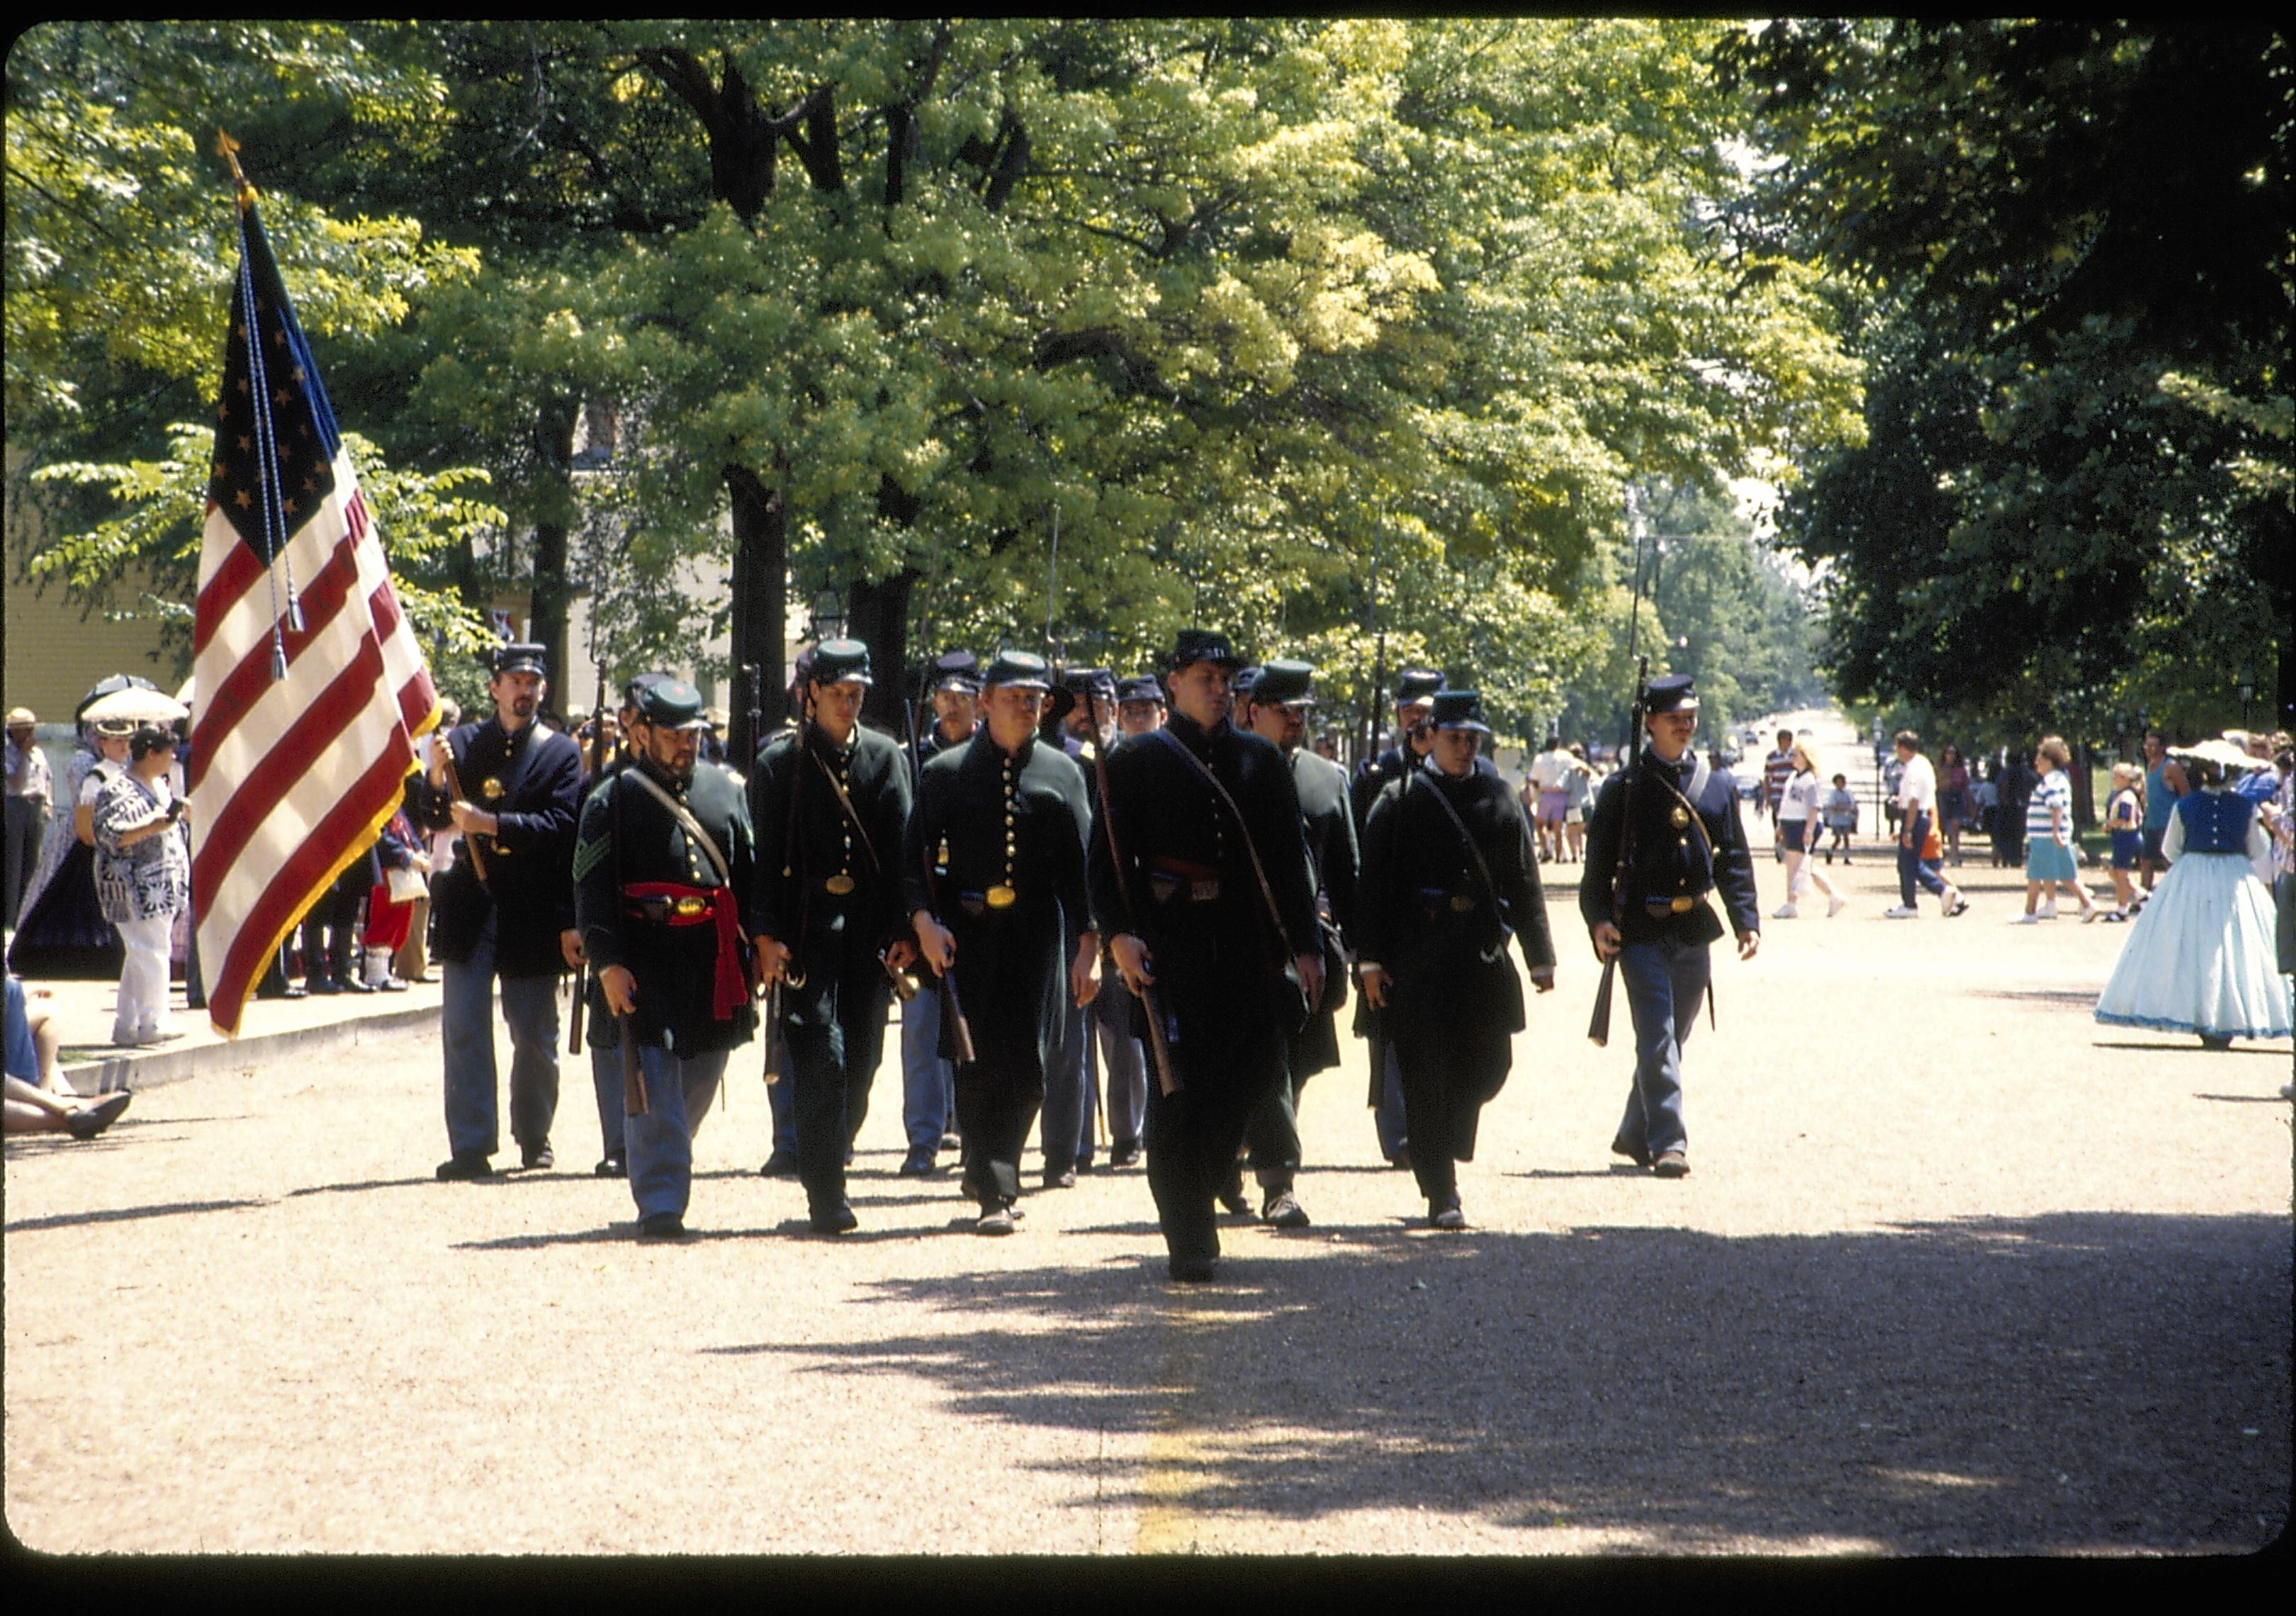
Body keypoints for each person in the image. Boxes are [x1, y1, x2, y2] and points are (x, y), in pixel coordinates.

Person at [1090, 628, 1323, 1282]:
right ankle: (1189, 1233)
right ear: (1174, 685)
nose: (1219, 690)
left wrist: (1305, 946)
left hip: (1246, 950)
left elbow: (1286, 864)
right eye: (1204, 678)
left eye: (1226, 680)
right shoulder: (1134, 763)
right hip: (1171, 950)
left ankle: (1210, 1181)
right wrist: (1118, 935)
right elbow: (1106, 864)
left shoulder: (1261, 761)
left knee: (1247, 1079)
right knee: (1177, 1096)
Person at [906, 651, 1097, 1235]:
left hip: (1037, 936)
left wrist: (1091, 950)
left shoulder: (1064, 774)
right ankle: (994, 1187)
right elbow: (912, 862)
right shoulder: (946, 772)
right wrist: (923, 926)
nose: (1028, 707)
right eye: (1015, 697)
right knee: (976, 1059)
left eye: (1036, 698)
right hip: (967, 935)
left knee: (1031, 1068)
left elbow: (1082, 870)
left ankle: (996, 1166)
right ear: (985, 703)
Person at [1358, 688, 1554, 1228]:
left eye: (1473, 739)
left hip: (1479, 959)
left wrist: (1541, 956)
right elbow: (1371, 887)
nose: (1465, 748)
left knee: (1491, 1065)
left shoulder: (1499, 797)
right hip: (1418, 961)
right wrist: (1370, 961)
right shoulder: (1398, 801)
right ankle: (1441, 1192)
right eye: (1454, 738)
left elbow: (1524, 878)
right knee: (1423, 1075)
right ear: (1428, 740)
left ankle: (1443, 1139)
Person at [575, 678, 762, 1240]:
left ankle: (664, 1151)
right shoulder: (611, 798)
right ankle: (660, 1202)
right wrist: (607, 963)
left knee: (703, 1072)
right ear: (641, 734)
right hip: (644, 958)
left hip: (710, 960)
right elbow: (590, 887)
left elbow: (747, 875)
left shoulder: (725, 791)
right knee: (653, 1080)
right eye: (674, 734)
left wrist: (760, 943)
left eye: (694, 734)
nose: (687, 744)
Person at [750, 639, 918, 1235]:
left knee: (865, 1057)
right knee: (823, 1056)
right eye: (839, 693)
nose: (850, 705)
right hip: (805, 934)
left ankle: (829, 1153)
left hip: (869, 935)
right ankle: (827, 1191)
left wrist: (905, 929)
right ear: (812, 692)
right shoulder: (778, 764)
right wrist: (765, 935)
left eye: (858, 695)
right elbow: (763, 862)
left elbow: (902, 854)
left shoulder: (885, 758)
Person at [1579, 673, 1760, 1179]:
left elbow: (1734, 859)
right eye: (1675, 718)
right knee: (1656, 1037)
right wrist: (1598, 922)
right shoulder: (1623, 789)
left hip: (1693, 929)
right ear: (1650, 723)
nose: (1685, 726)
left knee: (1673, 1040)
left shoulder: (1716, 786)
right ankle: (1668, 1142)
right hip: (1640, 928)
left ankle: (1634, 1132)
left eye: (1690, 717)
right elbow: (1596, 869)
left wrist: (1746, 920)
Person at [416, 644, 584, 1181]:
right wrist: (438, 778)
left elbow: (562, 826)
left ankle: (533, 1133)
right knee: (464, 1026)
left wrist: (491, 824)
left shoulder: (559, 753)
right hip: (470, 904)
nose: (525, 691)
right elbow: (429, 813)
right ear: (495, 688)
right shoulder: (462, 744)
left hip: (530, 907)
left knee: (534, 1033)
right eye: (515, 681)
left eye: (533, 682)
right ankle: (470, 1144)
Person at [1233, 658, 1360, 1229]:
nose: (1294, 722)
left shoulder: (1326, 779)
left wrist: (1364, 950)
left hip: (1307, 945)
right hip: (1240, 944)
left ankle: (1259, 1159)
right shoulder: (1226, 769)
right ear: (1253, 711)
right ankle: (1276, 1180)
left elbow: (1346, 872)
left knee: (1294, 1066)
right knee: (1261, 1064)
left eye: (1302, 713)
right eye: (1283, 712)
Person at [2095, 746, 2292, 1048]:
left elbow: (2171, 849)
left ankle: (2197, 1011)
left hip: (2192, 871)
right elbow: (2258, 850)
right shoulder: (2244, 807)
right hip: (2234, 874)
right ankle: (2228, 1017)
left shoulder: (2185, 806)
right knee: (2236, 946)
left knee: (2190, 945)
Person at [896, 649, 981, 1178]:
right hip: (927, 907)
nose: (952, 707)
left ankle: (976, 1135)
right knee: (921, 1033)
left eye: (962, 697)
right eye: (945, 697)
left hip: (974, 909)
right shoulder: (913, 757)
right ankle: (923, 1140)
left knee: (976, 1035)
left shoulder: (987, 756)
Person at [1040, 668, 1118, 1188]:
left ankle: (1068, 1150)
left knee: (1074, 1043)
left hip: (1076, 909)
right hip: (1030, 908)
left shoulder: (1088, 763)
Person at [7, 714, 133, 980]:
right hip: (83, 837)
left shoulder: (121, 769)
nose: (125, 746)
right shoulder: (85, 763)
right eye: (117, 740)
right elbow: (83, 806)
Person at [89, 727, 191, 1048]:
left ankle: (127, 1024)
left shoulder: (160, 785)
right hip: (132, 885)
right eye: (168, 753)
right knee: (151, 952)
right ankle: (153, 1021)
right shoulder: (117, 789)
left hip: (161, 884)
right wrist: (154, 825)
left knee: (141, 954)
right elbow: (111, 833)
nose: (173, 758)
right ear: (151, 753)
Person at [2013, 735, 2101, 923]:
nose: (2036, 762)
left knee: (2041, 874)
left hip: (2047, 836)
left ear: (2048, 760)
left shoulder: (2051, 781)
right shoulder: (2058, 778)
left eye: (2039, 758)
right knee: (2058, 873)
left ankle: (2030, 912)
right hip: (2047, 836)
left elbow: (2056, 805)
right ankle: (2085, 904)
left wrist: (2055, 832)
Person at [1882, 731, 1966, 919]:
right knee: (1909, 863)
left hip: (1916, 816)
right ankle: (1933, 894)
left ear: (1903, 748)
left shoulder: (1913, 768)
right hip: (1922, 815)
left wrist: (1908, 829)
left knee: (1907, 862)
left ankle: (1919, 900)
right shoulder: (1923, 763)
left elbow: (1914, 800)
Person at [1771, 740, 1845, 919]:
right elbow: (1787, 803)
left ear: (1806, 758)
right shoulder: (1793, 777)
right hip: (1791, 823)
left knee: (1794, 866)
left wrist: (1809, 830)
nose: (1793, 758)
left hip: (1802, 824)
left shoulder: (1809, 779)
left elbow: (1814, 806)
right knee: (1804, 866)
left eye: (1796, 754)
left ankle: (1791, 904)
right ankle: (1834, 896)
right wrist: (1780, 825)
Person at [5, 707, 52, 929]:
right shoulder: (9, 752)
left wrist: (49, 803)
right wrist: (23, 754)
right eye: (26, 729)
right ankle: (11, 918)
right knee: (13, 864)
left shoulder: (38, 753)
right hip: (15, 805)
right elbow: (15, 783)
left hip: (36, 807)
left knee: (33, 864)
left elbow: (47, 777)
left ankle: (27, 914)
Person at [2137, 730, 2185, 894]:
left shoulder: (2170, 767)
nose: (2149, 749)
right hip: (2152, 821)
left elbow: (2185, 793)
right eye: (2147, 745)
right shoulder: (2149, 766)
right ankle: (2144, 894)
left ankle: (2177, 892)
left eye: (2153, 745)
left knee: (2169, 860)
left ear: (2162, 747)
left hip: (2168, 822)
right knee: (2145, 860)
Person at [2103, 762, 2144, 920]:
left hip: (2126, 836)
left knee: (2120, 873)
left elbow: (2123, 818)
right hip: (2123, 836)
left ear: (2126, 779)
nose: (2113, 779)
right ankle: (2141, 895)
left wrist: (2108, 825)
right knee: (2114, 871)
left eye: (2117, 776)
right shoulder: (2120, 794)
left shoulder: (2126, 795)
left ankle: (2122, 909)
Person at [1527, 734, 1575, 864]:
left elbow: (1533, 779)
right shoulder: (1566, 757)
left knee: (1539, 824)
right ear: (1558, 744)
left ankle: (1546, 849)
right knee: (1558, 828)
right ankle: (1559, 858)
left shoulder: (1540, 759)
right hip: (1561, 795)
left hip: (1545, 794)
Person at [1760, 729, 1796, 860]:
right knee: (1778, 822)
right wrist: (1767, 797)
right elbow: (1767, 779)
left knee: (1790, 822)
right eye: (1786, 740)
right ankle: (1779, 849)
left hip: (1792, 796)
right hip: (1777, 795)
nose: (1788, 743)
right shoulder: (1772, 757)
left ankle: (1789, 848)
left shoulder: (1795, 756)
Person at [1936, 743, 1972, 866]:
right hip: (1943, 797)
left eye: (1953, 753)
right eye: (1948, 753)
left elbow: (1966, 787)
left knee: (1955, 829)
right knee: (1940, 828)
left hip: (1957, 797)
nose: (1951, 756)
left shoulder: (1961, 770)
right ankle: (1938, 854)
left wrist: (1970, 803)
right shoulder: (1939, 769)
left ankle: (1954, 856)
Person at [1561, 744, 1595, 863]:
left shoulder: (1567, 768)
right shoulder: (1585, 766)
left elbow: (1564, 786)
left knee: (1572, 831)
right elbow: (1591, 776)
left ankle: (1575, 854)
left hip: (1572, 802)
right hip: (1587, 802)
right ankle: (1582, 852)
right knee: (1583, 831)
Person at [1822, 772, 1858, 864]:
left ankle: (1846, 858)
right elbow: (1832, 807)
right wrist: (1843, 808)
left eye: (1841, 782)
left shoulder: (1848, 793)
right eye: (1838, 782)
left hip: (1846, 819)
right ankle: (1830, 852)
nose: (1840, 784)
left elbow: (1852, 805)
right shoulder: (1833, 794)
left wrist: (1846, 809)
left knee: (1846, 838)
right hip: (1836, 820)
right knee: (1838, 839)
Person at [1115, 675, 1166, 739]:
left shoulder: (1177, 747)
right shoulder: (1118, 748)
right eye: (1129, 713)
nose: (1138, 720)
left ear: (1162, 716)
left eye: (1145, 712)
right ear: (1120, 722)